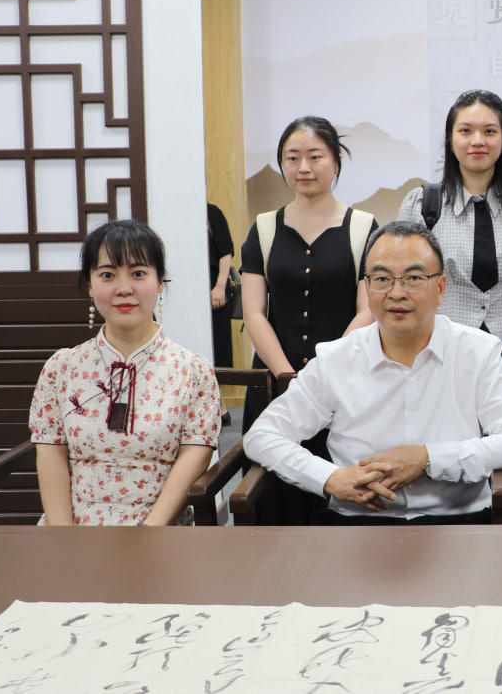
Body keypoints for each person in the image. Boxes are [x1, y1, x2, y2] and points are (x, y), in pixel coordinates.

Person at [244, 221, 502, 525]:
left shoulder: (477, 352)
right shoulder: (336, 359)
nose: (397, 293)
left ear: (440, 289)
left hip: (457, 523)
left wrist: (430, 459)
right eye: (382, 279)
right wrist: (329, 477)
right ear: (367, 287)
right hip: (357, 522)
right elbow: (263, 435)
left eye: (414, 278)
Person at [397, 89, 502, 523]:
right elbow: (410, 286)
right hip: (439, 357)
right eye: (465, 131)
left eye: (489, 131)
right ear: (451, 140)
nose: (477, 141)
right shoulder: (423, 205)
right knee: (440, 461)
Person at [29, 220, 221, 526]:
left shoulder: (193, 371)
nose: (124, 288)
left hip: (160, 531)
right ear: (90, 285)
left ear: (160, 282)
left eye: (138, 273)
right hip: (73, 531)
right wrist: (65, 537)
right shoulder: (61, 368)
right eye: (107, 275)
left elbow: (195, 456)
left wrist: (147, 532)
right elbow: (50, 455)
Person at [239, 116, 377, 432]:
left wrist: (326, 372)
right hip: (274, 378)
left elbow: (368, 311)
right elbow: (254, 313)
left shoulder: (363, 227)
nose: (303, 168)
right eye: (292, 158)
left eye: (315, 157)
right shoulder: (263, 228)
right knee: (271, 457)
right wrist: (287, 377)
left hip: (344, 378)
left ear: (336, 162)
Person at [207, 202, 235, 371]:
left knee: (219, 352)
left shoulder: (212, 212)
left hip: (214, 289)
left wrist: (220, 287)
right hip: (188, 291)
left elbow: (226, 252)